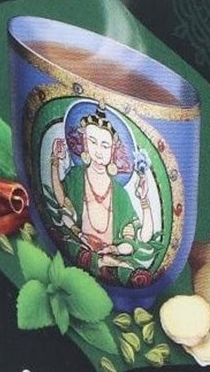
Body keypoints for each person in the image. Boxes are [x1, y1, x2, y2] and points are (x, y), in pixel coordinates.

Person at [49, 107, 150, 268]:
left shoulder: (120, 193)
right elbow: (62, 203)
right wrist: (55, 162)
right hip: (79, 245)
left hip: (111, 256)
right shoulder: (76, 175)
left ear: (113, 149)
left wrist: (114, 249)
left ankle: (105, 261)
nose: (98, 151)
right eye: (93, 142)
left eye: (105, 145)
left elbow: (136, 240)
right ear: (85, 142)